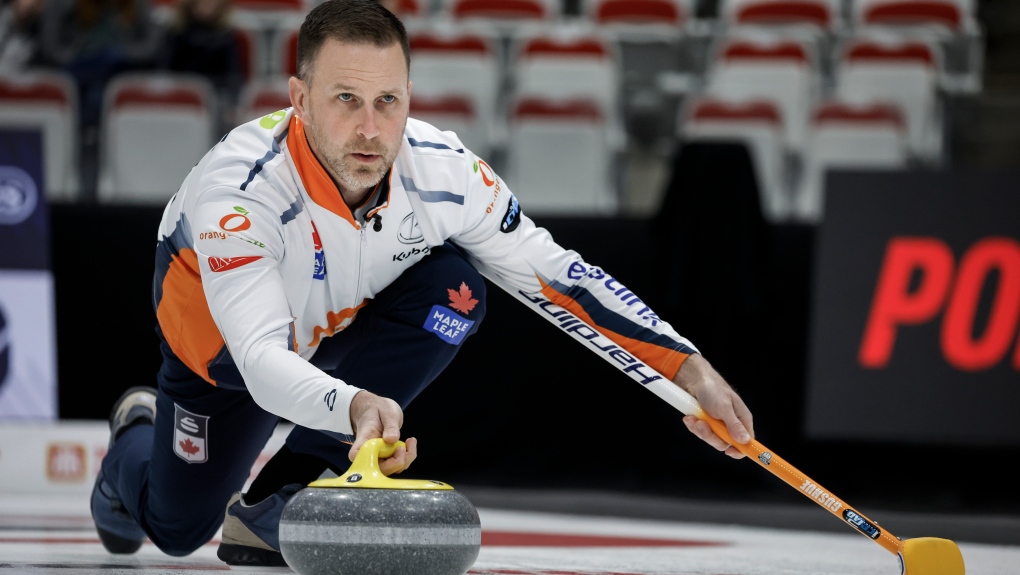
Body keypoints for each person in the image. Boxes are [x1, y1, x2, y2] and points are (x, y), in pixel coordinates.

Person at [90, 0, 755, 567]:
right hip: (225, 358)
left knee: (455, 289)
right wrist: (355, 406)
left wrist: (688, 371)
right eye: (345, 100)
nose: (371, 130)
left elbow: (560, 278)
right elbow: (263, 362)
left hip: (332, 331)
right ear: (299, 99)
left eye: (389, 101)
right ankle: (135, 433)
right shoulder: (240, 191)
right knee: (176, 530)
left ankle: (283, 497)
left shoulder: (443, 169)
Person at [156, 0, 243, 136]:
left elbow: (232, 76)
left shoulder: (226, 37)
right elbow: (164, 72)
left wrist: (233, 104)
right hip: (179, 97)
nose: (206, 5)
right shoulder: (176, 33)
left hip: (215, 99)